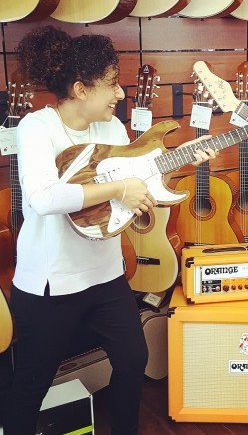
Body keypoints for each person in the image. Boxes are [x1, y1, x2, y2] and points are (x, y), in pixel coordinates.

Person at [1, 25, 217, 435]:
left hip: (106, 277)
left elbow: (137, 186)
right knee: (30, 386)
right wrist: (121, 187)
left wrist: (181, 165)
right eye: (112, 85)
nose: (121, 94)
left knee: (133, 361)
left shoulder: (113, 130)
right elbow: (44, 198)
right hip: (51, 286)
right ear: (81, 89)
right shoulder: (36, 127)